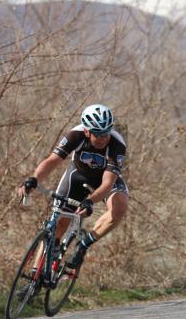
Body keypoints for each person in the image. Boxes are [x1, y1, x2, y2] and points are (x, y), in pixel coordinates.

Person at [19, 104, 129, 269]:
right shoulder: (76, 135)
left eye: (106, 132)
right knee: (58, 224)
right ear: (87, 131)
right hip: (78, 176)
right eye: (98, 134)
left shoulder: (116, 144)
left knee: (119, 207)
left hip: (104, 180)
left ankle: (83, 245)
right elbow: (52, 161)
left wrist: (90, 201)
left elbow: (107, 183)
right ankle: (34, 276)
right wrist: (34, 179)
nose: (103, 138)